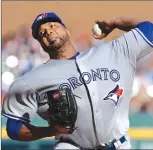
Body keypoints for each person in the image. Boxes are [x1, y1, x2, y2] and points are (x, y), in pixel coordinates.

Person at [2, 12, 153, 150]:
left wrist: (116, 23)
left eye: (53, 25)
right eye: (42, 33)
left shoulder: (113, 51)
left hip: (119, 145)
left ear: (67, 31)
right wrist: (50, 130)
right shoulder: (30, 80)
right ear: (41, 43)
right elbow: (14, 128)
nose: (48, 31)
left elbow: (149, 30)